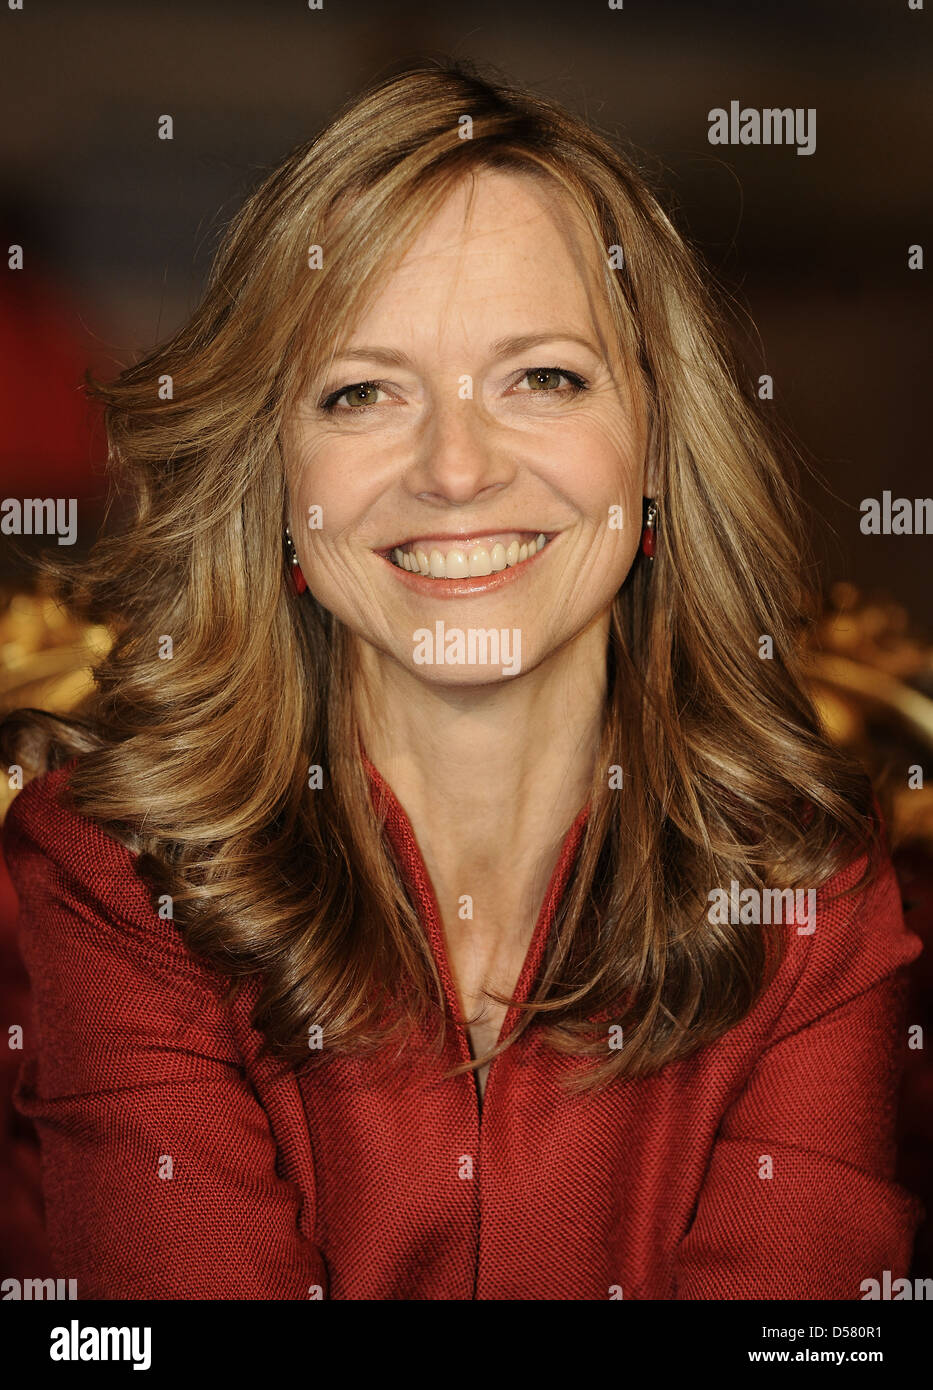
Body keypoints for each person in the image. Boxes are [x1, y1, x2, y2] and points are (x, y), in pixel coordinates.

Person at [1, 61, 923, 1300]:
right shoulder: (114, 879)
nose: (453, 467)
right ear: (278, 480)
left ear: (655, 445)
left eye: (543, 376)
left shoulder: (814, 896)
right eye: (363, 391)